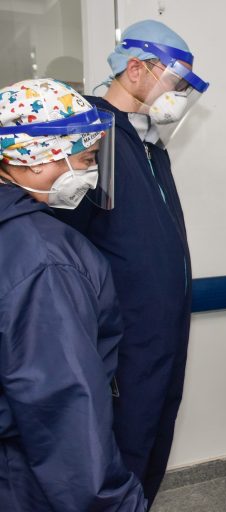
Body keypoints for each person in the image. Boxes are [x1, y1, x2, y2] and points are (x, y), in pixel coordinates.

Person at [54, 20, 209, 505]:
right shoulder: (94, 139)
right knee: (123, 450)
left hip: (165, 334)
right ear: (136, 69)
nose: (179, 94)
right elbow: (68, 243)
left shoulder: (148, 145)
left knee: (155, 440)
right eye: (175, 80)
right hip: (126, 341)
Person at [0, 78, 146, 510]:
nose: (90, 173)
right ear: (36, 158)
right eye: (85, 159)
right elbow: (63, 406)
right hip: (25, 474)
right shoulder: (45, 259)